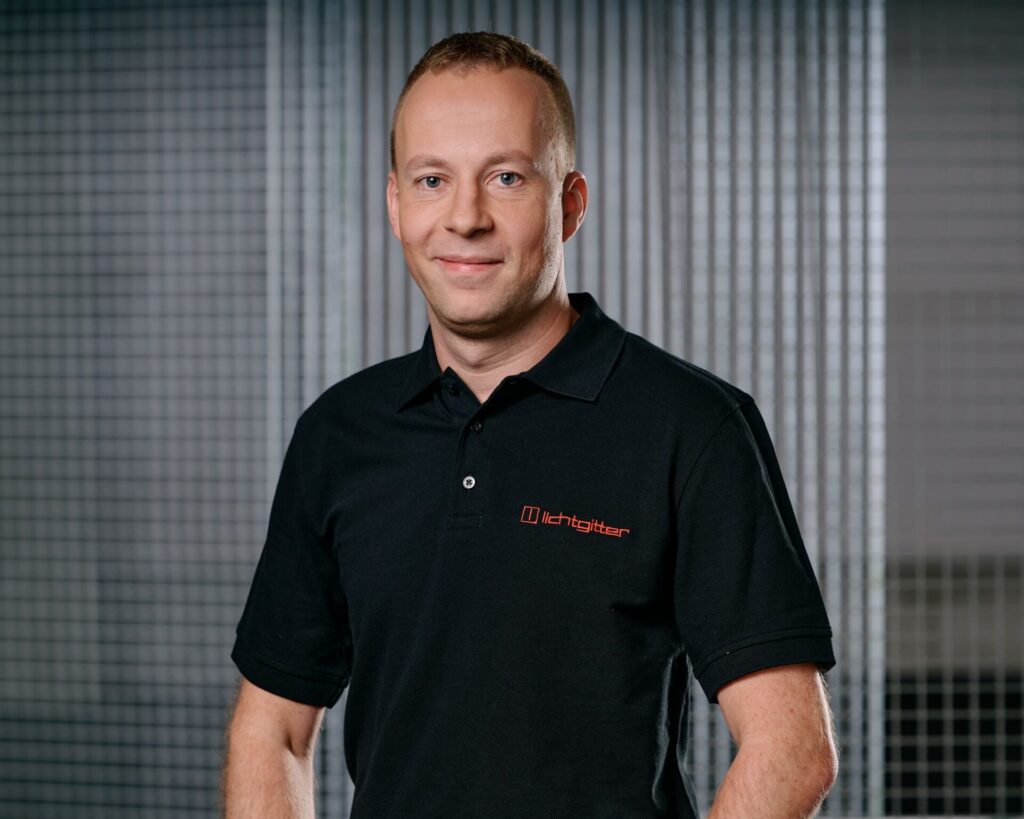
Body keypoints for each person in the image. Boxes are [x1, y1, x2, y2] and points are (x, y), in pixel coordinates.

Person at [222, 31, 838, 818]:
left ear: (569, 204)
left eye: (506, 177)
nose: (465, 218)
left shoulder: (692, 426)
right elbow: (272, 729)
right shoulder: (337, 436)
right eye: (433, 179)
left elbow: (791, 748)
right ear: (396, 204)